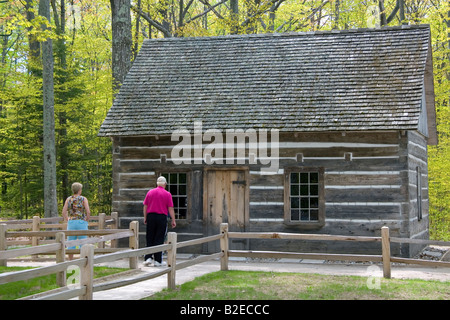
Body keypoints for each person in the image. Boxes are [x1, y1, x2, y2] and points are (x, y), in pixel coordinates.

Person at [143, 176, 176, 266]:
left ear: (157, 183)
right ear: (165, 184)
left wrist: (145, 217)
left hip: (151, 216)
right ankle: (158, 260)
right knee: (159, 238)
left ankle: (148, 258)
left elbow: (145, 206)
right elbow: (170, 208)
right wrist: (173, 220)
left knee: (150, 237)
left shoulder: (150, 192)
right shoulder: (167, 194)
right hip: (161, 217)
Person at [62, 182, 91, 260]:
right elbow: (88, 212)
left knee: (71, 242)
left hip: (72, 222)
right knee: (83, 242)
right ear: (79, 190)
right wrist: (86, 219)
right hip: (81, 221)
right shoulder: (83, 199)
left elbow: (63, 212)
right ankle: (84, 260)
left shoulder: (69, 199)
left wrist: (67, 219)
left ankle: (71, 261)